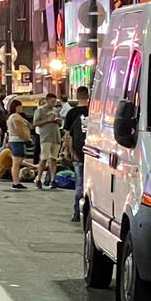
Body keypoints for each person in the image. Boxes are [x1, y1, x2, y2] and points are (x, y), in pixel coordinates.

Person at [64, 86, 90, 222]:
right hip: (93, 154)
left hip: (77, 153)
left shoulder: (71, 113)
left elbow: (68, 135)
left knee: (79, 184)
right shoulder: (92, 112)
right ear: (88, 95)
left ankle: (76, 213)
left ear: (77, 95)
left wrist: (67, 151)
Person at [33, 93, 63, 190]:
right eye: (52, 101)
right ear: (47, 100)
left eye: (55, 102)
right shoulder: (40, 110)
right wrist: (47, 120)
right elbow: (35, 123)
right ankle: (39, 179)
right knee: (44, 158)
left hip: (56, 137)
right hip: (45, 137)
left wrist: (58, 121)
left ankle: (53, 180)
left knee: (53, 159)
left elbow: (60, 123)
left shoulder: (56, 110)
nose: (54, 103)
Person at [6, 98, 32, 190]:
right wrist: (26, 138)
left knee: (17, 162)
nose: (22, 108)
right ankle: (16, 182)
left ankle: (16, 181)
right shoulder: (15, 117)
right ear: (16, 107)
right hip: (17, 141)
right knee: (17, 162)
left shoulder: (13, 116)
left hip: (15, 141)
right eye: (20, 106)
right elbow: (18, 129)